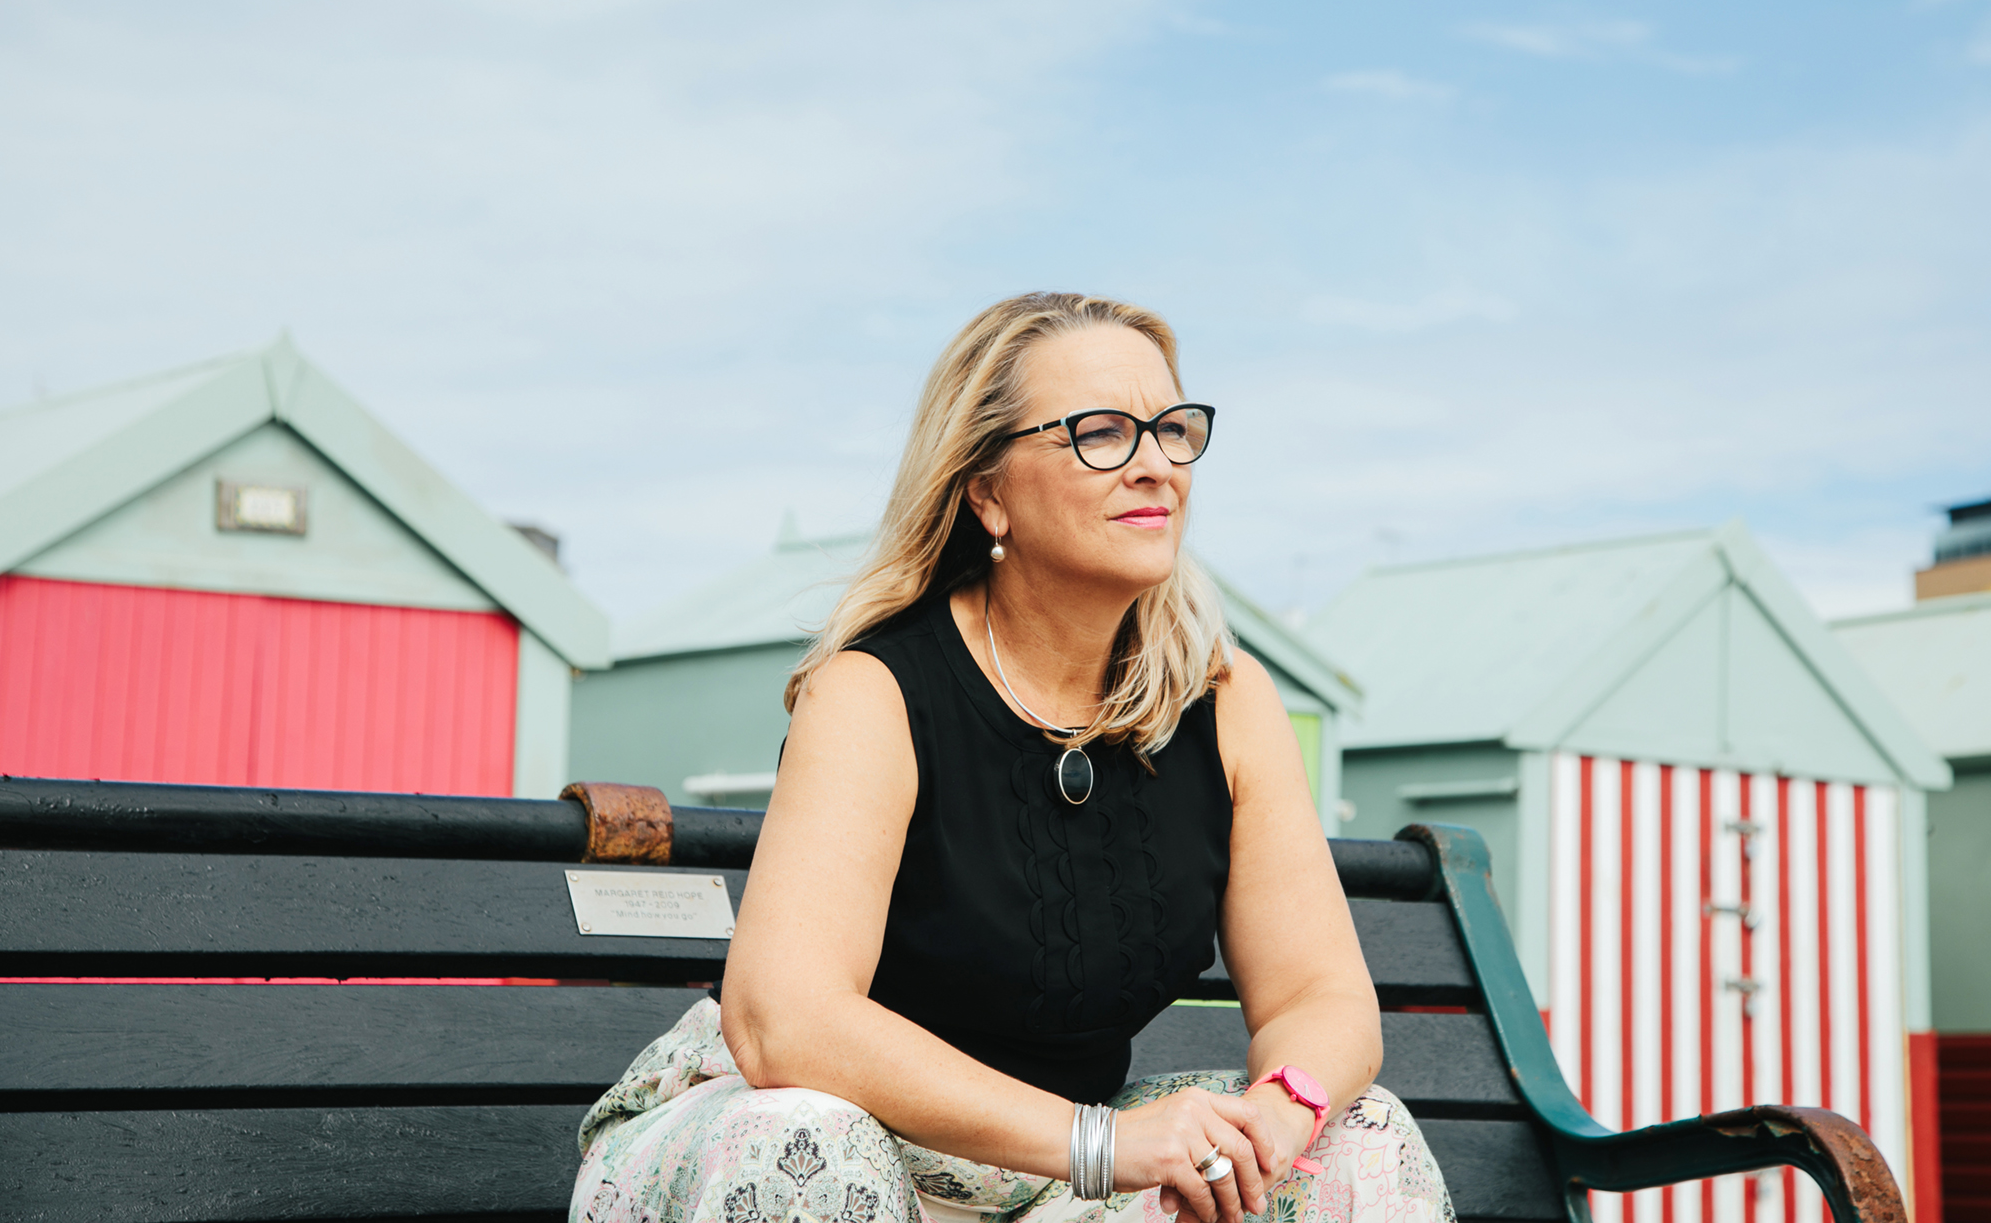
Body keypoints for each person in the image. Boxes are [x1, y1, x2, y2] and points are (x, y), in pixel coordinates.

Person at [571, 293, 1453, 1223]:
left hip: (1046, 1181)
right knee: (811, 1141)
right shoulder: (876, 690)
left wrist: (1280, 1112)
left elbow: (1321, 992)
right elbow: (784, 1021)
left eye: (1172, 430)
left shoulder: (1226, 701)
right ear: (987, 488)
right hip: (773, 1138)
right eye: (1102, 433)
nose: (1155, 464)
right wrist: (1105, 1144)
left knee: (1358, 1138)